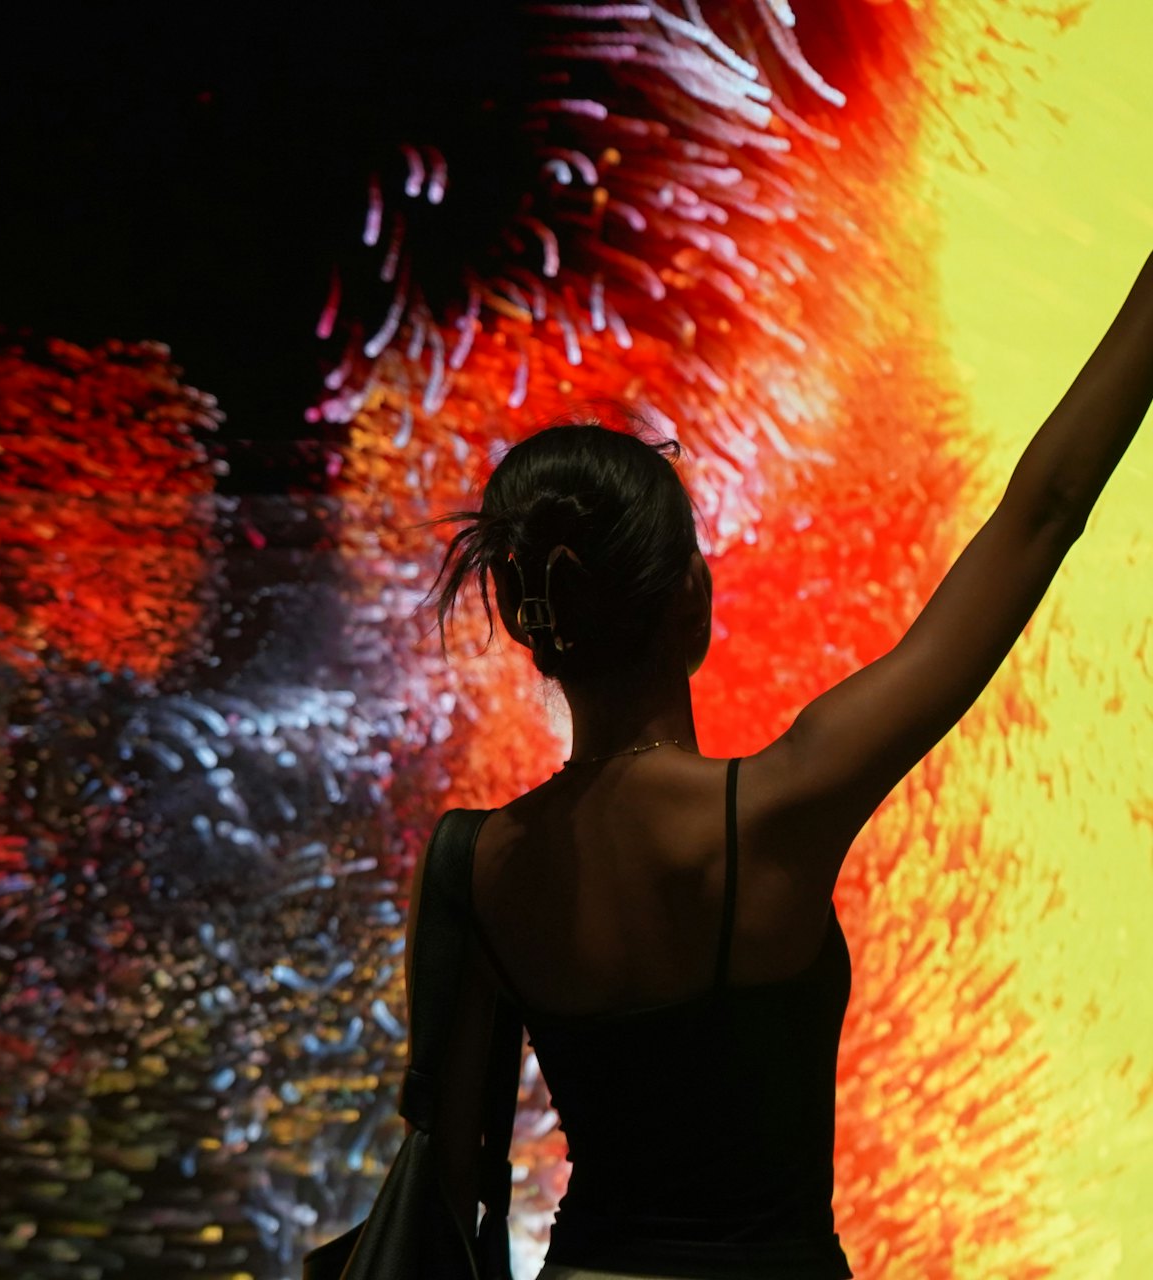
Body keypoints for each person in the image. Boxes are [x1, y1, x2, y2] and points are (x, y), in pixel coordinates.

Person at [405, 250, 1153, 1279]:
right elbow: (1045, 511)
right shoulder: (776, 810)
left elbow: (447, 1180)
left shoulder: (473, 865)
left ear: (534, 631)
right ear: (694, 602)